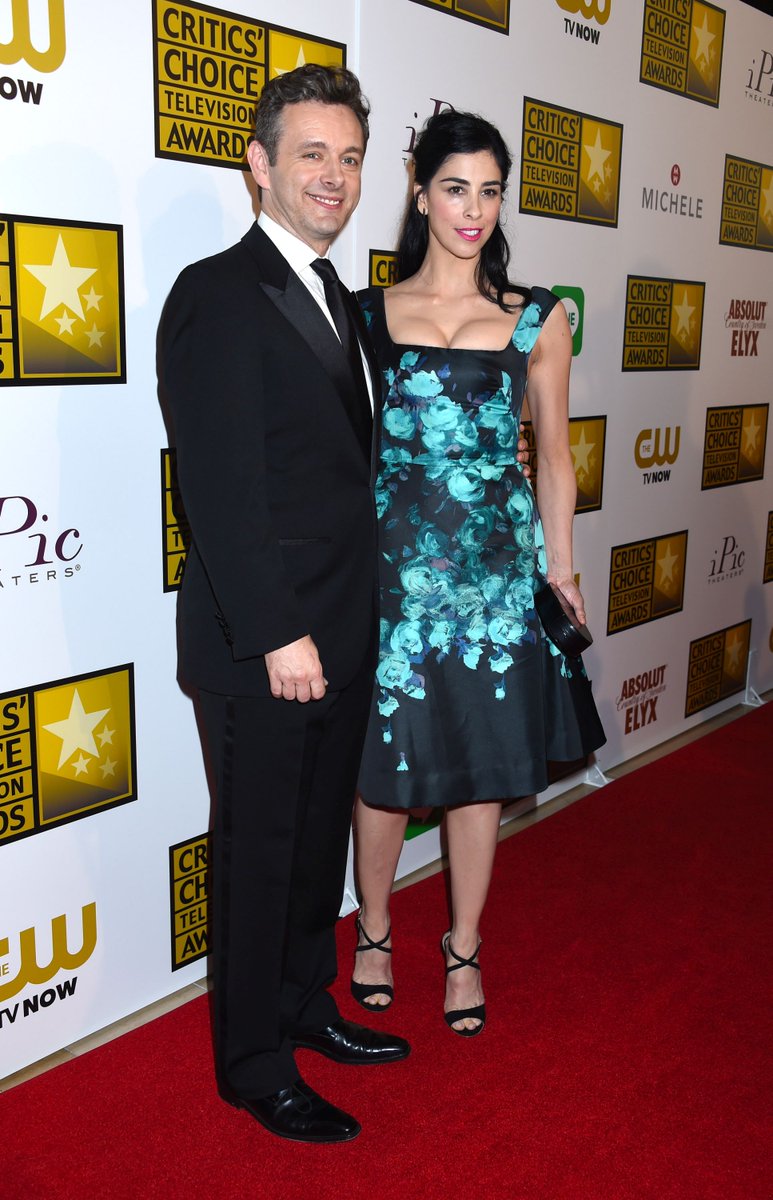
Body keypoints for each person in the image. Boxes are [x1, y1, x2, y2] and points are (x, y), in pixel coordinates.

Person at [159, 64, 411, 1146]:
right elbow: (217, 488)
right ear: (256, 164)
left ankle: (306, 1007)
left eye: (348, 157)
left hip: (341, 632)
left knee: (313, 847)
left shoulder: (340, 302)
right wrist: (277, 633)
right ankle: (251, 1063)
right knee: (261, 853)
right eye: (309, 153)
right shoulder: (215, 292)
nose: (332, 176)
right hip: (265, 644)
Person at [351, 110, 606, 1035]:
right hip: (392, 579)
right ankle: (373, 931)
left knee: (481, 774)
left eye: (490, 190)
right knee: (383, 770)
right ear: (419, 191)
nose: (473, 210)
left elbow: (555, 457)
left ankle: (463, 947)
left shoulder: (537, 319)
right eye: (455, 187)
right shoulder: (367, 314)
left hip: (497, 581)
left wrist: (563, 572)